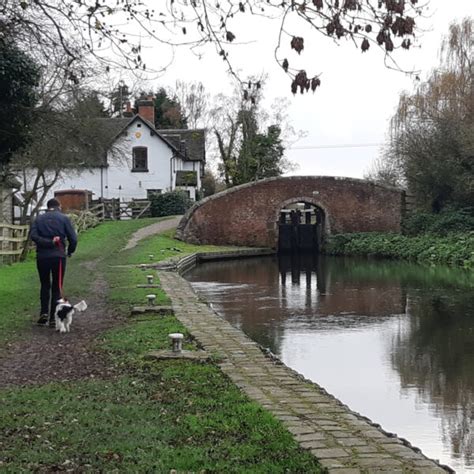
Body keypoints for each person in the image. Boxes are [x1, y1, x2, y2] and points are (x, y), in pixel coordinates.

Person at [30, 198, 78, 327]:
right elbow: (73, 238)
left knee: (45, 284)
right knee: (57, 286)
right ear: (59, 206)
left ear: (48, 207)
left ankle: (43, 313)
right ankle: (53, 317)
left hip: (42, 256)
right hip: (59, 257)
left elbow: (33, 236)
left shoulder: (38, 219)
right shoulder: (64, 218)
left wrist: (47, 242)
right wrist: (70, 251)